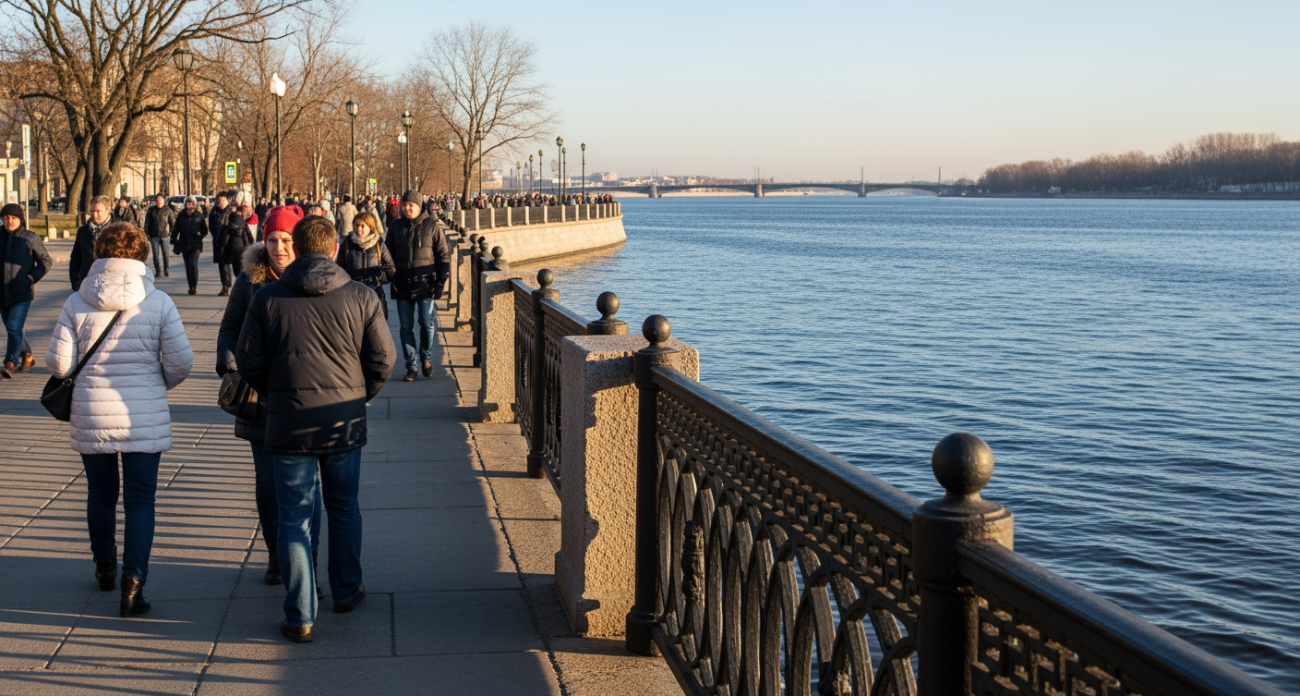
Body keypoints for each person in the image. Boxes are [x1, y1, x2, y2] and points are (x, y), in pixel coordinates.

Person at [236, 215, 395, 642]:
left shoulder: (267, 297)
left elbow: (248, 361)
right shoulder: (361, 296)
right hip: (342, 423)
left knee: (294, 517)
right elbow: (384, 360)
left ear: (299, 250)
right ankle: (346, 590)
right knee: (343, 507)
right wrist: (359, 396)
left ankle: (301, 614)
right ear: (335, 250)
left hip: (288, 423)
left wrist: (278, 394)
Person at [45, 222, 193, 617]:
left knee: (101, 494)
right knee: (141, 501)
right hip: (140, 414)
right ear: (142, 253)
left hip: (92, 410)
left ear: (99, 253)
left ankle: (105, 565)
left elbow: (59, 364)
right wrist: (153, 382)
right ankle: (134, 584)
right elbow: (182, 363)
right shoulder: (158, 301)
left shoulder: (77, 301)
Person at [216, 204, 322, 585]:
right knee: (266, 483)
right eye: (273, 240)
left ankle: (307, 559)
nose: (279, 248)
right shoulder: (249, 281)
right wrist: (230, 362)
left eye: (287, 240)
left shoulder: (314, 278)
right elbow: (229, 328)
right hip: (259, 398)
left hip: (301, 398)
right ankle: (277, 552)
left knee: (306, 485)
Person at [385, 190, 449, 382]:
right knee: (405, 327)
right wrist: (390, 275)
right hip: (402, 284)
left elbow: (443, 255)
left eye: (410, 204)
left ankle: (426, 357)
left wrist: (441, 281)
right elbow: (387, 255)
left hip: (425, 285)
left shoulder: (432, 226)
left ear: (419, 206)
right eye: (404, 204)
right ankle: (411, 366)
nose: (407, 208)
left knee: (426, 324)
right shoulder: (395, 226)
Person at [1, 203, 53, 377]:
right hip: (2, 292)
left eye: (13, 218)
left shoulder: (30, 238)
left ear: (20, 220)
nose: (10, 221)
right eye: (6, 218)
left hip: (22, 292)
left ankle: (9, 363)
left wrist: (32, 277)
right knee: (11, 328)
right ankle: (27, 354)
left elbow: (46, 261)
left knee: (14, 326)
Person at [335, 211, 395, 318]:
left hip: (374, 293)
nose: (359, 229)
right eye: (357, 225)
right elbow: (339, 268)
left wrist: (378, 277)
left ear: (370, 227)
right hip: (352, 294)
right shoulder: (347, 243)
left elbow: (391, 268)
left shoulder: (378, 243)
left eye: (363, 226)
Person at [69, 195, 114, 291]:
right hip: (87, 283)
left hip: (111, 283)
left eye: (98, 211)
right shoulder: (83, 231)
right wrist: (76, 282)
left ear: (107, 210)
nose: (94, 214)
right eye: (92, 211)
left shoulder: (118, 230)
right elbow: (75, 259)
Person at [172, 196, 208, 295]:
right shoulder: (181, 215)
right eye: (188, 203)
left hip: (196, 245)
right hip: (184, 244)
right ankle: (190, 286)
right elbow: (176, 229)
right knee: (188, 266)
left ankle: (194, 286)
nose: (190, 205)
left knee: (193, 264)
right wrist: (174, 239)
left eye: (192, 203)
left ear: (195, 205)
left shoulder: (198, 215)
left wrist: (200, 235)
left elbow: (205, 229)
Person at [143, 195, 175, 278]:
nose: (159, 203)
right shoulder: (151, 210)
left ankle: (166, 268)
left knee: (166, 254)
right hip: (153, 236)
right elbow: (147, 222)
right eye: (157, 202)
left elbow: (172, 222)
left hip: (164, 235)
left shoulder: (167, 210)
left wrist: (173, 233)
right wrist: (146, 233)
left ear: (163, 202)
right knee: (155, 255)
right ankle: (158, 271)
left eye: (160, 202)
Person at [209, 193, 236, 295]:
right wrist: (216, 235)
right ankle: (224, 285)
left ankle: (227, 286)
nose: (222, 203)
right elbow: (211, 226)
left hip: (227, 241)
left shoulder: (230, 212)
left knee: (226, 264)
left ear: (227, 201)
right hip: (217, 241)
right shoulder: (214, 212)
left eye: (224, 201)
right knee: (221, 264)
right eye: (220, 201)